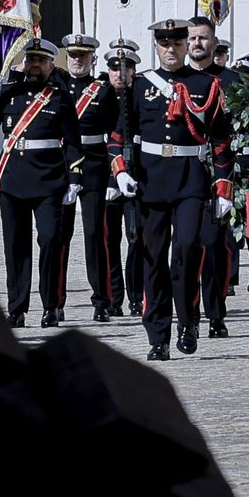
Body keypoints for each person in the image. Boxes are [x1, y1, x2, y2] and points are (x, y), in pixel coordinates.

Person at [110, 19, 233, 361]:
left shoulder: (206, 84)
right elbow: (119, 137)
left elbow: (221, 140)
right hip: (150, 181)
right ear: (156, 46)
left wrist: (223, 189)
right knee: (153, 260)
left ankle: (189, 322)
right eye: (164, 43)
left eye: (176, 43)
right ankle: (158, 335)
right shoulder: (138, 87)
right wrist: (120, 173)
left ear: (184, 46)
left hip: (190, 179)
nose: (170, 49)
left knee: (186, 251)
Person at [0, 38, 83, 327]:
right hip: (13, 180)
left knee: (50, 240)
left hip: (50, 181)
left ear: (51, 64)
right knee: (15, 246)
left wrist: (74, 178)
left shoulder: (60, 97)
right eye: (30, 59)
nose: (34, 65)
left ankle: (51, 305)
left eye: (40, 60)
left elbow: (73, 143)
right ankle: (17, 308)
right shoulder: (9, 92)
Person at [57, 33, 126, 322]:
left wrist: (114, 176)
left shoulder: (103, 91)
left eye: (82, 55)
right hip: (62, 165)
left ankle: (102, 299)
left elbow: (115, 134)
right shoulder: (56, 87)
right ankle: (55, 300)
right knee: (59, 235)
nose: (77, 60)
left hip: (95, 163)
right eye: (73, 54)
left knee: (95, 234)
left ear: (91, 58)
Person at [187, 17, 244, 338]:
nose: (197, 43)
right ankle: (189, 311)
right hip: (181, 174)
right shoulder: (173, 81)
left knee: (215, 246)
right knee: (186, 247)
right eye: (192, 38)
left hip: (220, 174)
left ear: (214, 42)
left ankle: (215, 312)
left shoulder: (234, 81)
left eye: (203, 38)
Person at [102, 47, 142, 315]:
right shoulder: (97, 95)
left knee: (136, 238)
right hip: (104, 178)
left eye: (126, 68)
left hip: (136, 175)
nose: (120, 73)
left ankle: (137, 296)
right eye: (115, 68)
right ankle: (113, 297)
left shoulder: (139, 96)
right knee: (109, 240)